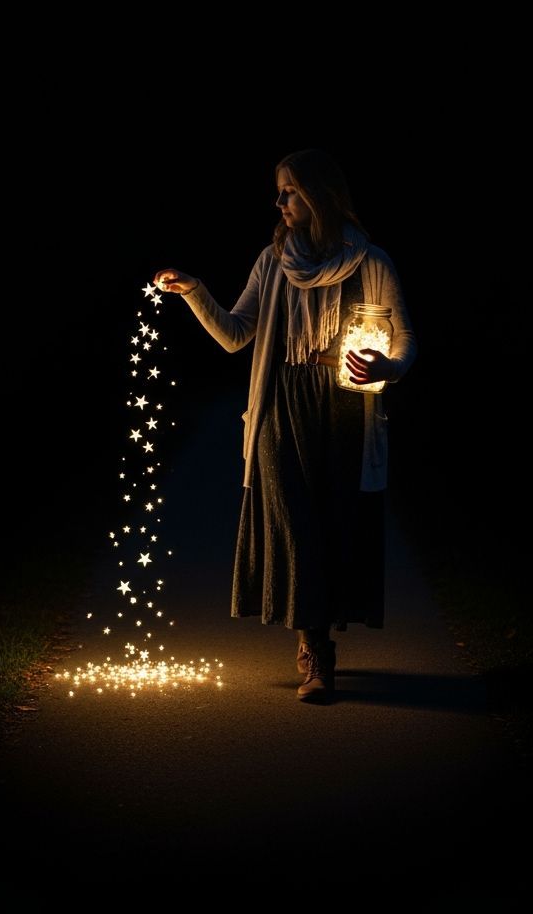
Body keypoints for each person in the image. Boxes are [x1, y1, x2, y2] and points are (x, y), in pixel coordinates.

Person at [153, 147, 417, 703]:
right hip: (280, 408)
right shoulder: (272, 262)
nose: (279, 201)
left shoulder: (371, 262)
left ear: (320, 194)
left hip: (343, 409)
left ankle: (321, 642)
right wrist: (196, 291)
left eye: (291, 190)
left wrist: (386, 367)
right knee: (294, 528)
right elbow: (234, 334)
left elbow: (404, 340)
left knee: (329, 525)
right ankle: (314, 655)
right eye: (280, 191)